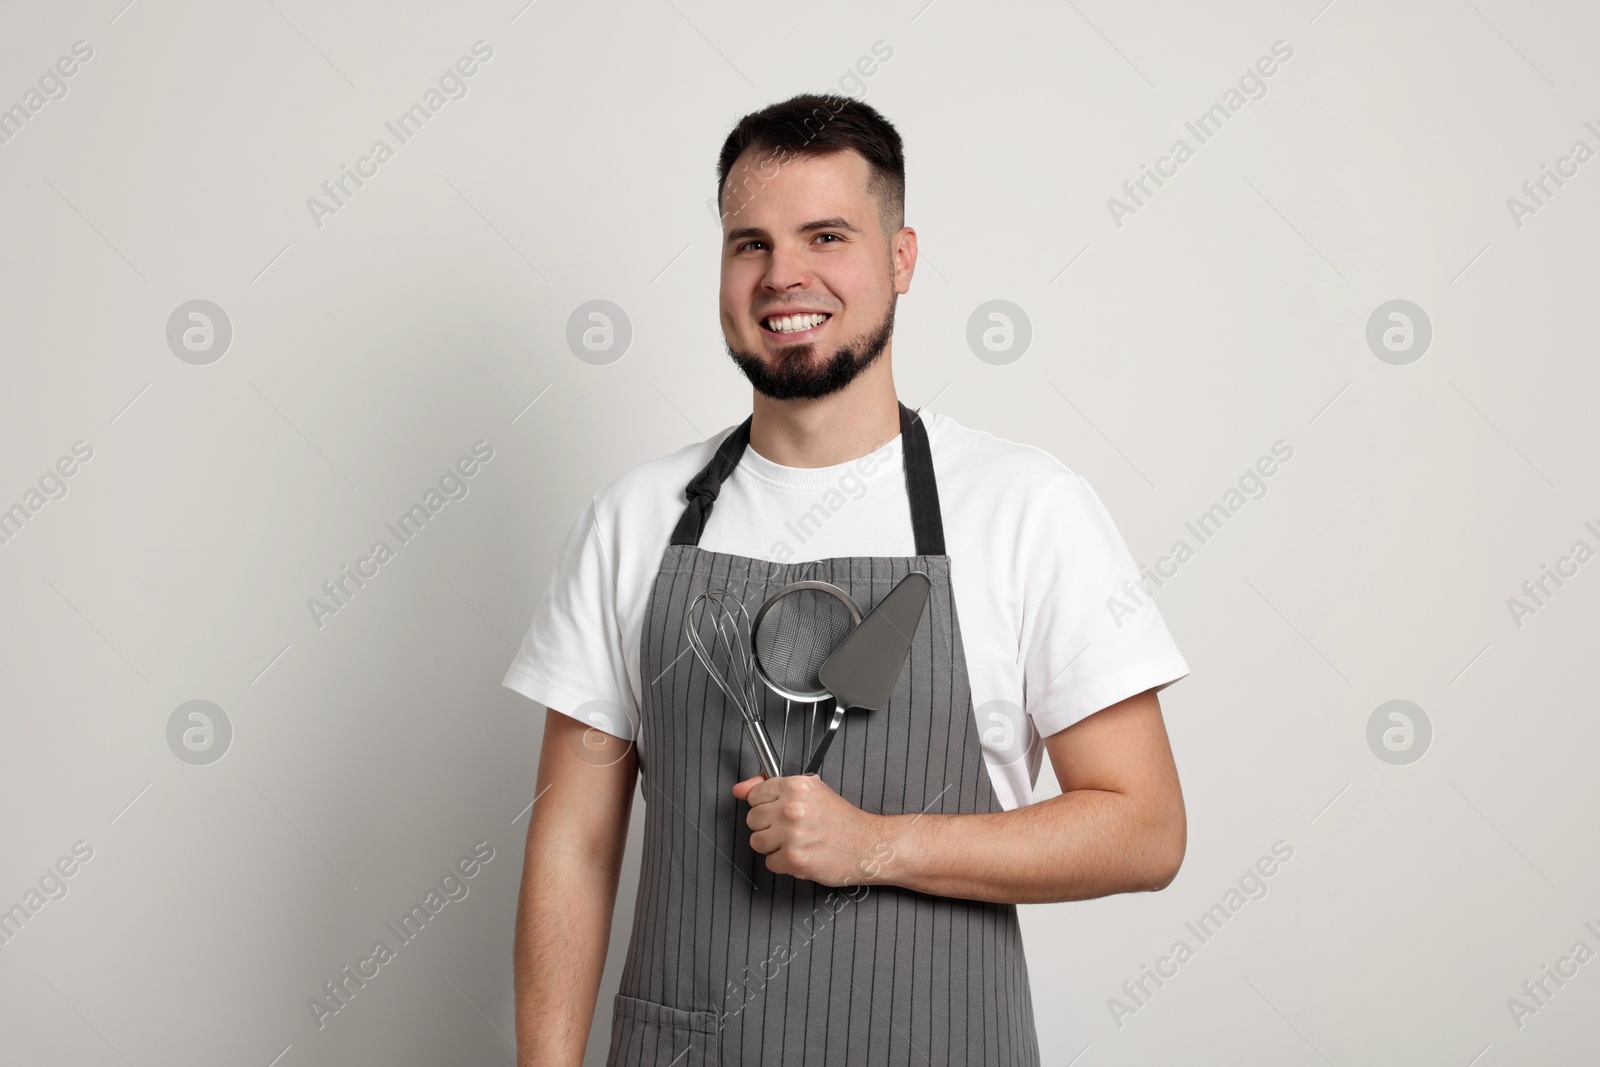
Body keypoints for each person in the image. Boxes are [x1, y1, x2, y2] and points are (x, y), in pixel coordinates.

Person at [504, 92, 1191, 1067]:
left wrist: (878, 844)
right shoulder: (634, 518)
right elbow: (572, 839)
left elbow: (1145, 827)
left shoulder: (1024, 507)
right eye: (750, 243)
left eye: (825, 235)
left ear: (900, 257)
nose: (784, 274)